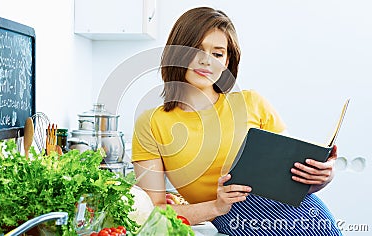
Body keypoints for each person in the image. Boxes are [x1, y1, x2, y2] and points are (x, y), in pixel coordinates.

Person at [131, 6, 342, 235]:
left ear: (227, 61)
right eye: (196, 49)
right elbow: (153, 213)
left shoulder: (252, 102)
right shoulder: (152, 123)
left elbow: (292, 178)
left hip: (308, 217)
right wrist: (216, 207)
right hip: (237, 222)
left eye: (218, 53)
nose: (206, 61)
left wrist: (323, 176)